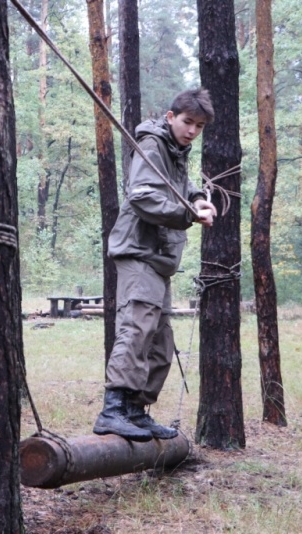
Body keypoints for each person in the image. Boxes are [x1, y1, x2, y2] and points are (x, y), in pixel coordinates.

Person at [93, 88, 217, 441]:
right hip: (139, 253)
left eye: (199, 126)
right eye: (187, 122)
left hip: (159, 260)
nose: (192, 130)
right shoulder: (152, 144)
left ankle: (136, 411)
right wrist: (188, 214)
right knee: (136, 330)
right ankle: (112, 411)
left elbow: (178, 184)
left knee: (160, 343)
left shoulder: (175, 152)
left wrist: (196, 197)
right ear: (170, 117)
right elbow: (143, 195)